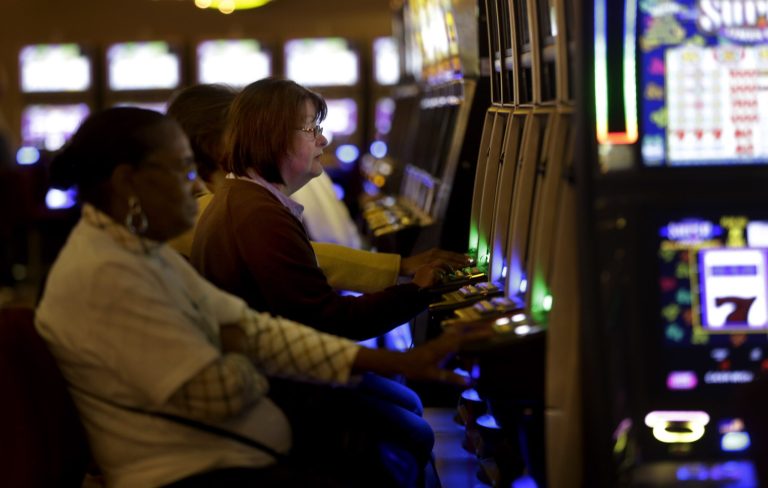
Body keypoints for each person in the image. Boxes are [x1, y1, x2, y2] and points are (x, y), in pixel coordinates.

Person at [34, 107, 491, 488]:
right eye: (179, 170)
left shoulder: (141, 252)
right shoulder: (105, 275)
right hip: (192, 473)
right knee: (393, 452)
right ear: (126, 182)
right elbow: (219, 392)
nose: (194, 183)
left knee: (399, 442)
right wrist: (252, 354)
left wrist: (398, 364)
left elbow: (254, 330)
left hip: (236, 452)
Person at [187, 79, 462, 485]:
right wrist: (420, 291)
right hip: (280, 392)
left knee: (406, 405)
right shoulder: (256, 213)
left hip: (278, 379)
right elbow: (328, 320)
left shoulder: (249, 199)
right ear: (273, 137)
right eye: (311, 129)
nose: (324, 139)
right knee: (413, 429)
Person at [167, 84, 467, 294]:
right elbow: (302, 258)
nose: (255, 137)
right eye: (241, 129)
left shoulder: (244, 189)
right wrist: (399, 268)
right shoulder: (202, 208)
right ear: (210, 143)